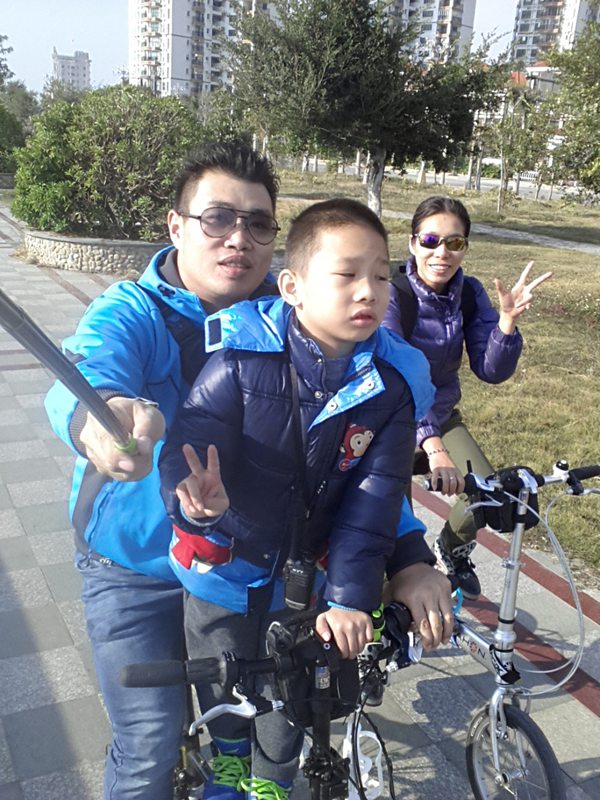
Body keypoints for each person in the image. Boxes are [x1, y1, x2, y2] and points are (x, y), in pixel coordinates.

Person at [43, 144, 452, 800]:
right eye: (217, 218)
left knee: (272, 719)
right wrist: (103, 420)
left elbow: (357, 458)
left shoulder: (304, 323)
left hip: (253, 571)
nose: (239, 238)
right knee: (150, 743)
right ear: (176, 225)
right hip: (134, 566)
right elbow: (87, 373)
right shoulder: (133, 311)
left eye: (258, 223)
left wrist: (408, 557)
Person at [159, 198, 437, 800]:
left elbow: (373, 503)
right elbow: (190, 442)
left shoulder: (389, 391)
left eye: (381, 276)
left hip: (304, 582)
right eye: (347, 274)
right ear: (292, 288)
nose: (368, 291)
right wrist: (192, 500)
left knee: (289, 695)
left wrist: (350, 598)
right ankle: (228, 767)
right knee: (224, 685)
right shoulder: (240, 361)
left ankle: (273, 783)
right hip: (222, 570)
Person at [382, 195, 552, 600]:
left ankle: (451, 548)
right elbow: (397, 378)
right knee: (395, 533)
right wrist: (434, 447)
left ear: (464, 248)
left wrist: (506, 324)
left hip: (441, 415)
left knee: (489, 494)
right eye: (430, 240)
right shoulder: (393, 294)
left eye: (454, 243)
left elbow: (491, 371)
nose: (442, 252)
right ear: (412, 243)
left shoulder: (469, 293)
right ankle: (386, 614)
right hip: (391, 422)